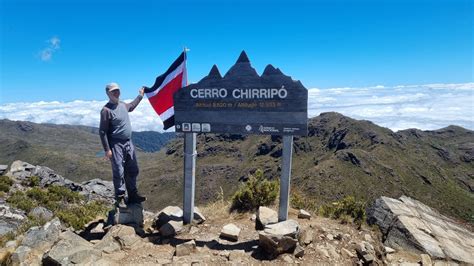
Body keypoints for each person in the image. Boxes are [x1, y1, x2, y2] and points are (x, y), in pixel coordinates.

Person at [99, 82, 146, 207]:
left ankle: (133, 195)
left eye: (118, 90)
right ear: (108, 93)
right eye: (113, 91)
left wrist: (140, 96)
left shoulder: (123, 105)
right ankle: (120, 198)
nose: (116, 93)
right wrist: (107, 149)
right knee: (119, 171)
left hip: (128, 142)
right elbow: (102, 131)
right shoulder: (106, 110)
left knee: (133, 169)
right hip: (116, 144)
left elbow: (132, 106)